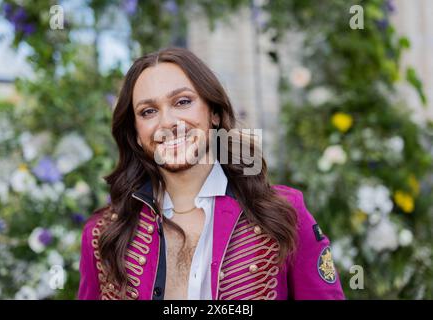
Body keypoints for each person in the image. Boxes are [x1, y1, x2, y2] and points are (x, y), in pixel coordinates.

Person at [78, 47, 345, 300]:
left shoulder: (283, 214)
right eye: (148, 111)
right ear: (136, 134)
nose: (168, 122)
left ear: (214, 113)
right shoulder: (104, 232)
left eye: (182, 102)